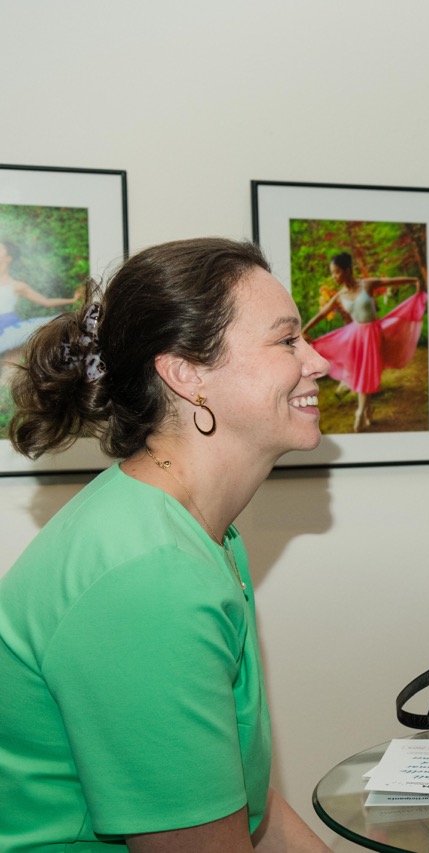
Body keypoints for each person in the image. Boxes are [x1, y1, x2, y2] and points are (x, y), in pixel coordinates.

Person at [0, 238, 333, 852]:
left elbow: (238, 798)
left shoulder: (198, 534)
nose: (319, 362)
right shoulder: (151, 577)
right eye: (286, 340)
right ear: (186, 372)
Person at [300, 251, 425, 432]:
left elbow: (391, 281)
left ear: (348, 269)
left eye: (337, 272)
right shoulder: (339, 295)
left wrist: (414, 280)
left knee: (367, 373)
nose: (334, 276)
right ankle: (365, 412)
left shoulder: (367, 285)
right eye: (332, 273)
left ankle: (362, 412)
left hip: (373, 334)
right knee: (363, 374)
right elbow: (322, 314)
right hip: (355, 336)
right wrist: (305, 329)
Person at [0, 238, 84, 381]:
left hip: (10, 327)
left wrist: (72, 300)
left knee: (10, 368)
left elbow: (45, 301)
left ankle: (6, 397)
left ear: (8, 258)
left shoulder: (17, 286)